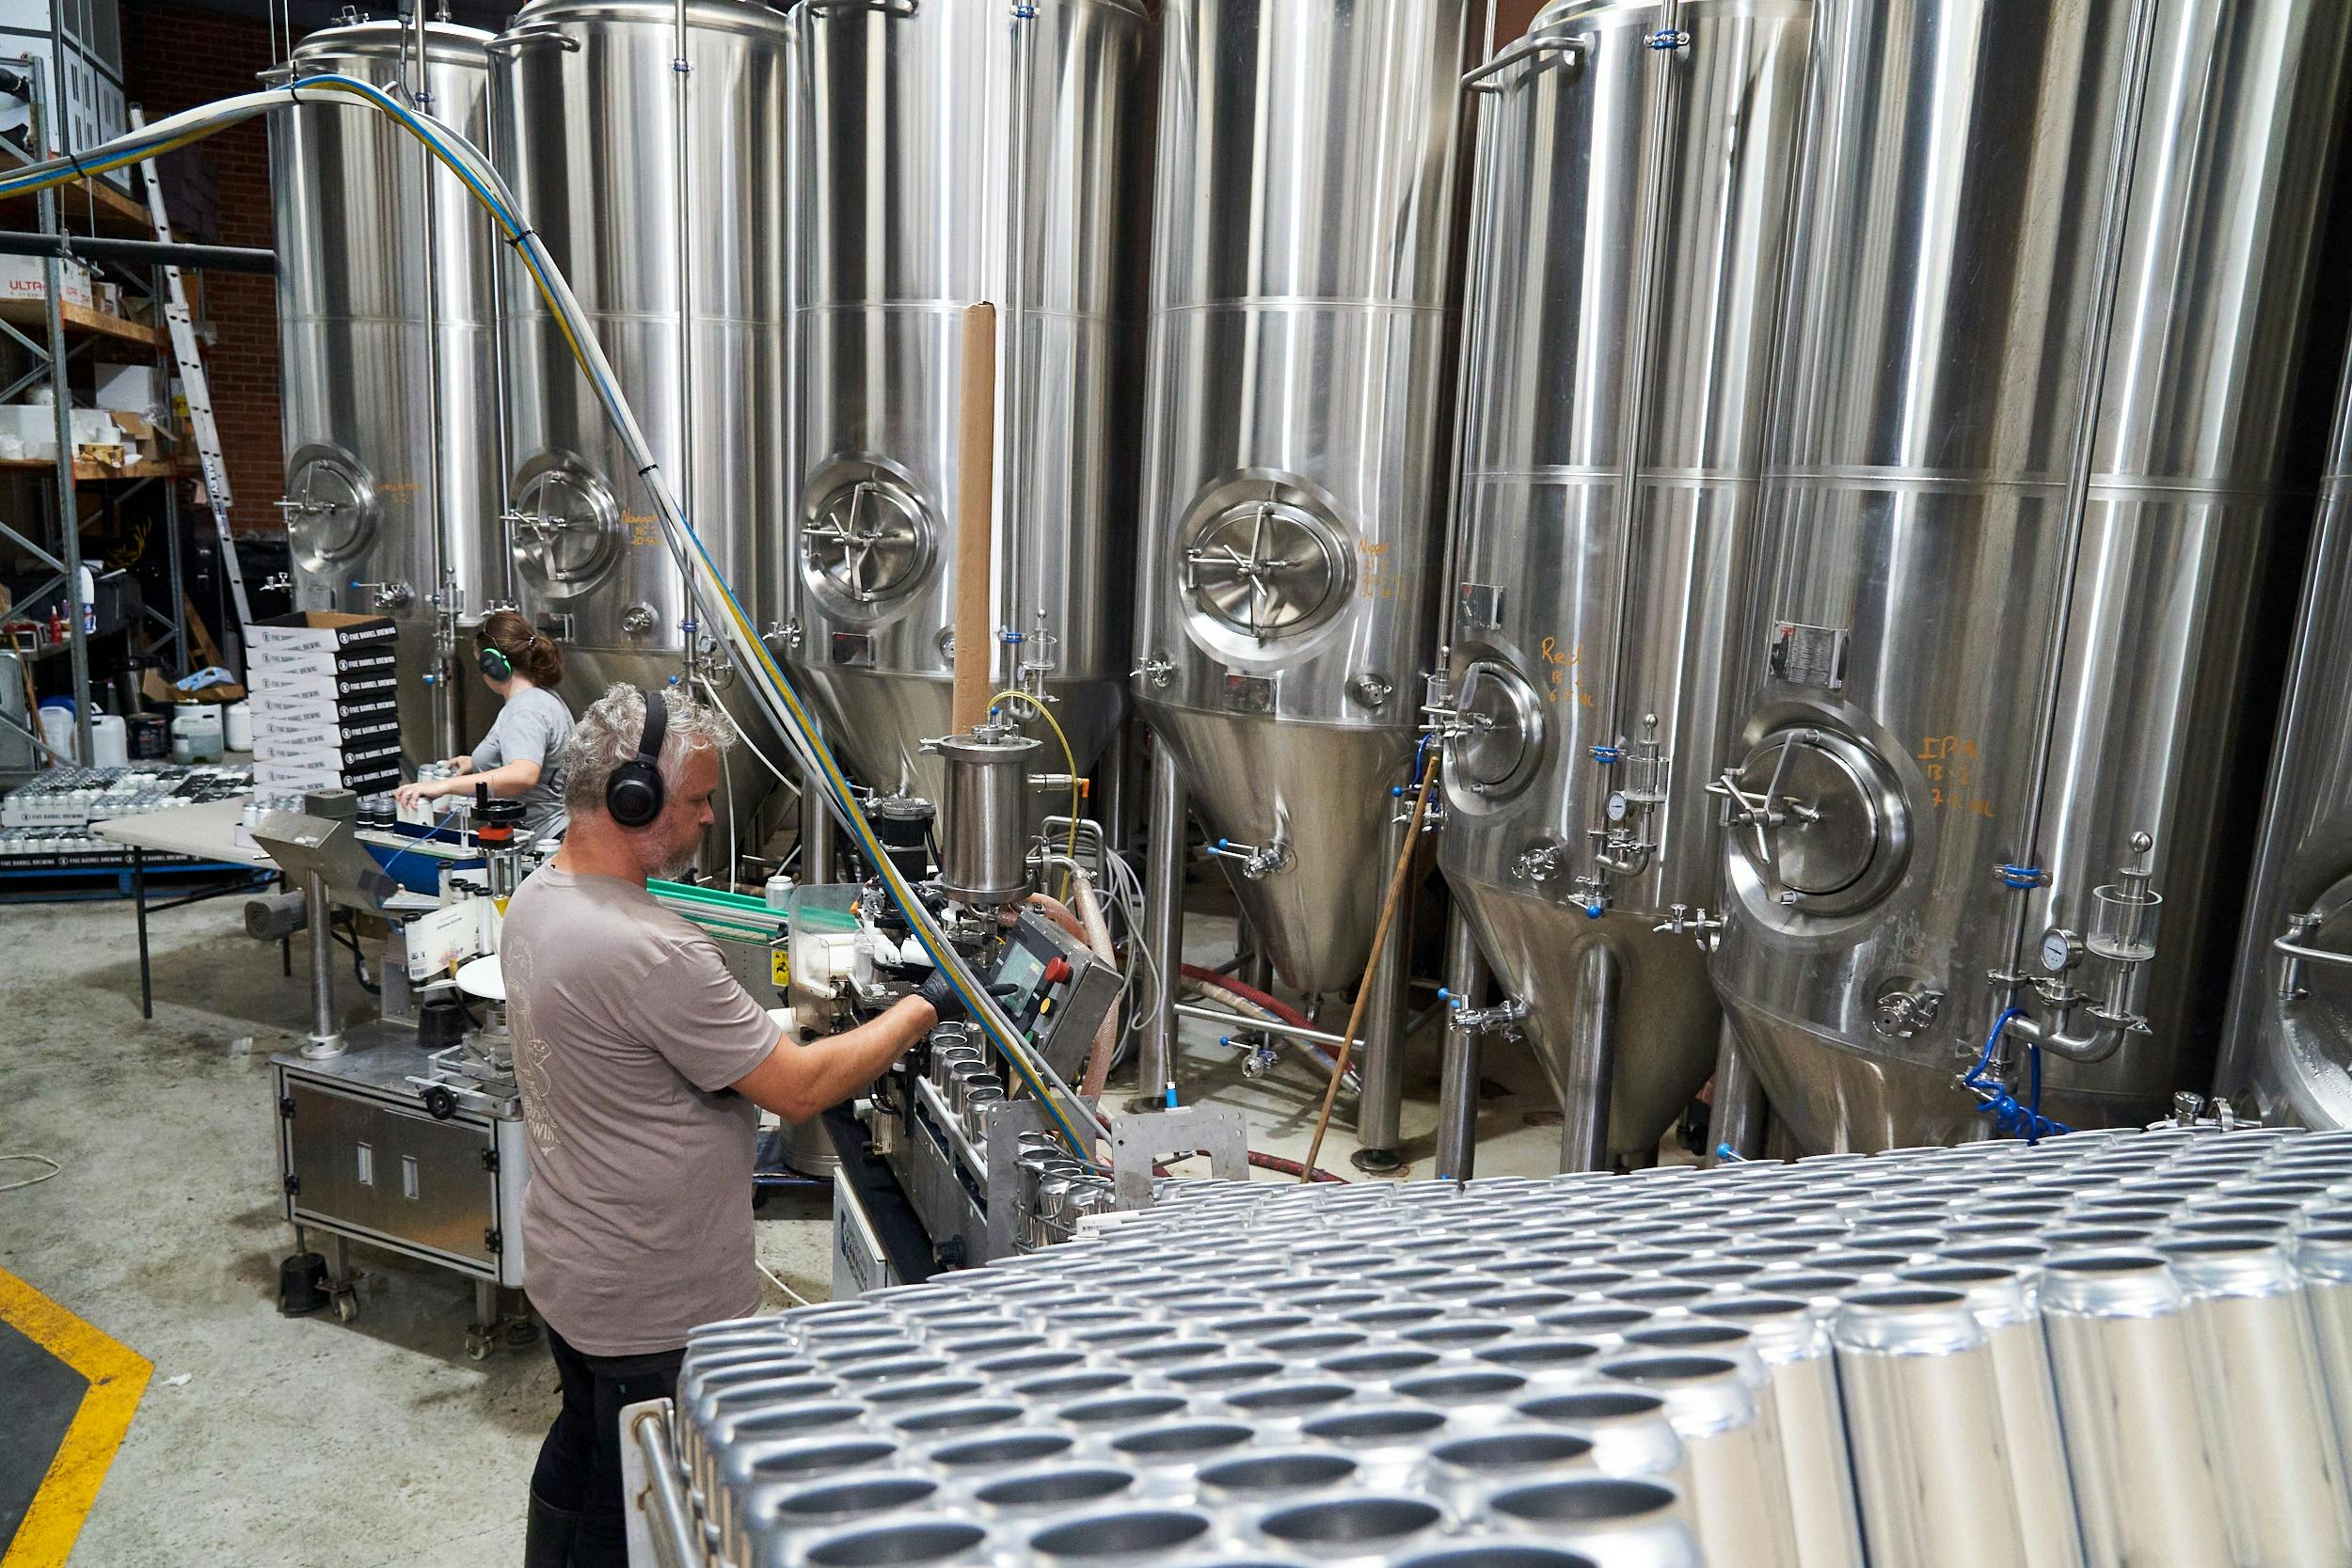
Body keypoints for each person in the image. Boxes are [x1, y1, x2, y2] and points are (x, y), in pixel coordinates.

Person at [501, 683, 957, 1568]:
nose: (711, 817)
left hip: (572, 1270)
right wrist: (924, 1007)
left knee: (582, 1438)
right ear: (633, 797)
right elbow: (794, 1090)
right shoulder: (653, 948)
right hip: (651, 1300)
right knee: (630, 1507)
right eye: (699, 797)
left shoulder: (539, 895)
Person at [393, 609, 573, 839]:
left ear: (493, 665)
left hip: (540, 838)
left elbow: (523, 775)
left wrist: (443, 787)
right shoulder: (542, 698)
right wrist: (480, 762)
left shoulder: (524, 709)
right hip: (551, 833)